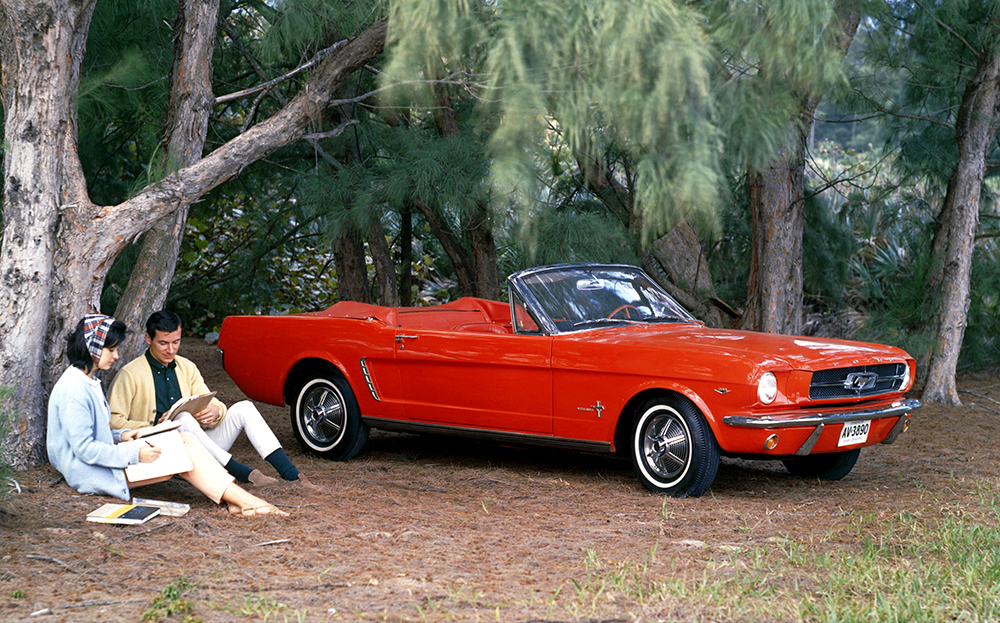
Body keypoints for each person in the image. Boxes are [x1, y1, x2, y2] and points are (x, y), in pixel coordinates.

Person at [47, 314, 286, 517]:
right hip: (94, 472)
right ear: (93, 349)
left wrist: (124, 435)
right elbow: (85, 450)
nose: (117, 355)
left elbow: (99, 434)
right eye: (112, 350)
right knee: (183, 447)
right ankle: (247, 501)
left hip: (113, 457)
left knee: (186, 441)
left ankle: (237, 501)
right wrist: (134, 451)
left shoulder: (88, 381)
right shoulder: (74, 389)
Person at [108, 310, 311, 488]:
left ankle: (292, 475)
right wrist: (153, 425)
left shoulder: (187, 367)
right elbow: (113, 422)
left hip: (200, 448)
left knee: (245, 408)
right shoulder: (130, 374)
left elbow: (212, 402)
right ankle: (241, 472)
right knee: (184, 420)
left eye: (176, 342)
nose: (171, 350)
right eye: (163, 343)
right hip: (159, 452)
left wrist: (215, 411)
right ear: (148, 339)